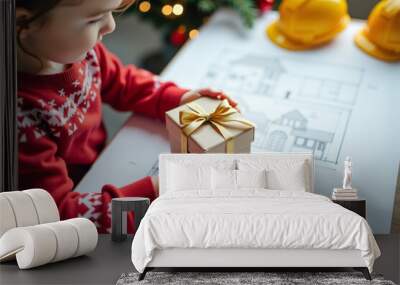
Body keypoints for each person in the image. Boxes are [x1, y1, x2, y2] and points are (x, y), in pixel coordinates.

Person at [16, 0, 238, 233]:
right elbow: (58, 214)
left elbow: (123, 83)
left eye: (111, 13)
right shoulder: (20, 117)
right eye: (94, 19)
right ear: (23, 23)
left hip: (99, 165)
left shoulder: (79, 52)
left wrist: (178, 99)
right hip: (71, 202)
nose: (110, 26)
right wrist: (157, 191)